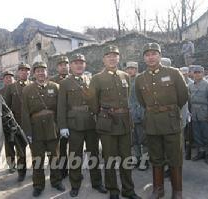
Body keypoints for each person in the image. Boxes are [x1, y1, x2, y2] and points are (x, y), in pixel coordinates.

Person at [135, 43, 188, 199]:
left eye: (154, 54)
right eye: (147, 54)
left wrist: (169, 109)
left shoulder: (174, 73)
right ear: (144, 58)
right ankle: (158, 189)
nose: (151, 57)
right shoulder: (140, 79)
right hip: (152, 123)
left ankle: (177, 191)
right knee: (156, 157)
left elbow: (183, 96)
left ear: (159, 55)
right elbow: (141, 101)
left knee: (175, 157)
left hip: (171, 121)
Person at [89, 45, 141, 199]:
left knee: (126, 158)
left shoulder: (125, 76)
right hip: (107, 123)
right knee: (110, 158)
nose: (112, 58)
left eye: (115, 55)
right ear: (104, 59)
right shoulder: (97, 78)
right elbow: (93, 102)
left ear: (119, 58)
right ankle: (113, 190)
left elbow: (128, 97)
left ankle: (128, 190)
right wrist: (103, 114)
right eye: (108, 56)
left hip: (124, 121)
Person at [58, 53, 107, 197]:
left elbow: (95, 101)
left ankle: (97, 183)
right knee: (75, 156)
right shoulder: (65, 83)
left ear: (85, 65)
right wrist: (63, 126)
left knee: (94, 154)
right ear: (71, 66)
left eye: (81, 63)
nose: (79, 65)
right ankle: (75, 185)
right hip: (74, 124)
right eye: (75, 63)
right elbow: (61, 106)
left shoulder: (90, 79)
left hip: (91, 123)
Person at [21, 61, 65, 197]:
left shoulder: (55, 87)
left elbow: (60, 109)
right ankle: (38, 185)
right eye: (38, 70)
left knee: (55, 157)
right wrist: (28, 133)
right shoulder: (27, 90)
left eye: (43, 70)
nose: (41, 73)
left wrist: (60, 126)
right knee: (37, 159)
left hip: (52, 127)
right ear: (34, 73)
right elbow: (24, 112)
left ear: (47, 72)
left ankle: (56, 181)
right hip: (36, 129)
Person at [3, 63, 31, 181]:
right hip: (17, 124)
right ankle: (21, 172)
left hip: (33, 123)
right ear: (18, 73)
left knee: (36, 150)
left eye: (26, 70)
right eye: (22, 70)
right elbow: (6, 108)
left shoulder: (34, 86)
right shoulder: (11, 87)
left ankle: (37, 171)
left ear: (29, 73)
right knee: (20, 150)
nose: (24, 72)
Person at [189, 65, 208, 164]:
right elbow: (189, 101)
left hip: (205, 112)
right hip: (194, 113)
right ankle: (201, 152)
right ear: (192, 73)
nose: (197, 74)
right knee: (197, 134)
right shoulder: (191, 85)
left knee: (207, 134)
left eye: (199, 72)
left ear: (203, 73)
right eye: (195, 72)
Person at [50, 54, 70, 178]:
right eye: (61, 65)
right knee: (60, 148)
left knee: (74, 146)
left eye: (66, 64)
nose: (64, 67)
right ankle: (63, 170)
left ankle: (75, 171)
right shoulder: (52, 81)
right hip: (59, 118)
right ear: (57, 67)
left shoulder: (74, 78)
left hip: (73, 117)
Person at [125, 61, 148, 170]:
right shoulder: (125, 81)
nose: (130, 70)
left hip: (140, 113)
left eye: (132, 68)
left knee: (143, 139)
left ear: (136, 69)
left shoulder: (141, 80)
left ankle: (145, 160)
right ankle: (137, 158)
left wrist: (142, 113)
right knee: (133, 140)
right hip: (129, 114)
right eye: (128, 68)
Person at [179, 67, 193, 160]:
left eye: (185, 73)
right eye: (182, 73)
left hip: (187, 111)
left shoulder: (191, 83)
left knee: (186, 134)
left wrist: (189, 112)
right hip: (182, 112)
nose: (184, 74)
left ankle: (184, 151)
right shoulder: (178, 82)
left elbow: (189, 100)